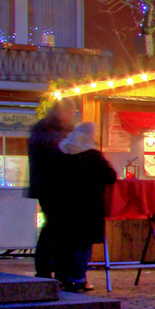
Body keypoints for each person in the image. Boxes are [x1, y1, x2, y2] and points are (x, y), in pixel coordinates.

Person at [42, 122, 117, 293]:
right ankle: (79, 278)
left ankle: (63, 277)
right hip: (87, 207)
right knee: (83, 244)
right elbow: (110, 176)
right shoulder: (91, 153)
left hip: (62, 205)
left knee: (64, 242)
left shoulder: (60, 150)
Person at [25, 100, 75, 282]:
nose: (72, 114)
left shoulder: (49, 128)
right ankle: (49, 268)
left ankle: (53, 268)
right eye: (71, 110)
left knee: (55, 227)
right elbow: (55, 154)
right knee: (55, 227)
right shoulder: (48, 129)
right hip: (52, 185)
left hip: (52, 185)